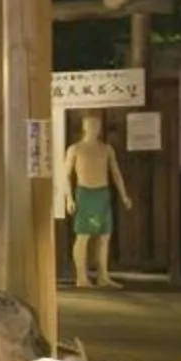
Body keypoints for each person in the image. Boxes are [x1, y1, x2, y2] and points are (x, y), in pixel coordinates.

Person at [65, 116, 132, 290]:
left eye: (96, 125)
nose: (94, 128)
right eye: (90, 125)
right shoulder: (75, 149)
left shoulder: (106, 149)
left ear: (100, 128)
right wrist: (69, 198)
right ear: (84, 127)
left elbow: (115, 173)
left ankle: (103, 276)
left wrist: (124, 195)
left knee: (104, 236)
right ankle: (81, 277)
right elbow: (65, 175)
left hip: (102, 194)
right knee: (83, 235)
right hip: (85, 194)